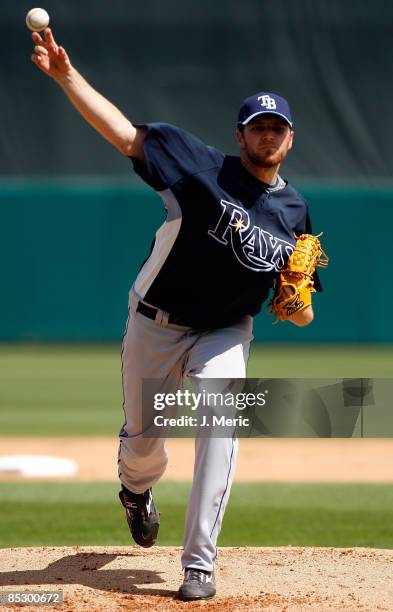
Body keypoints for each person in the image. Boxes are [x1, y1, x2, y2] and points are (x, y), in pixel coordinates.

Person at [31, 28, 321, 601]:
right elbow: (124, 135)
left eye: (277, 128)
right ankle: (135, 492)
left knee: (221, 417)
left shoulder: (295, 211)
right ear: (240, 135)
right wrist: (67, 76)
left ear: (290, 139)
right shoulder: (198, 166)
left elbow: (302, 306)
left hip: (226, 330)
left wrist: (297, 304)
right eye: (258, 126)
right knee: (142, 448)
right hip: (156, 321)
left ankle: (200, 565)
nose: (268, 134)